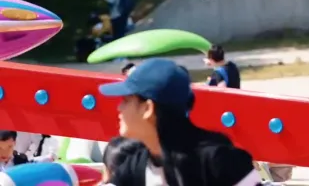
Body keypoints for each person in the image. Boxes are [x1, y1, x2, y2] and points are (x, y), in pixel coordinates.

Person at [98, 58, 261, 186]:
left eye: (126, 100)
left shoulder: (220, 162)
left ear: (148, 108)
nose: (119, 107)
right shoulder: (135, 167)